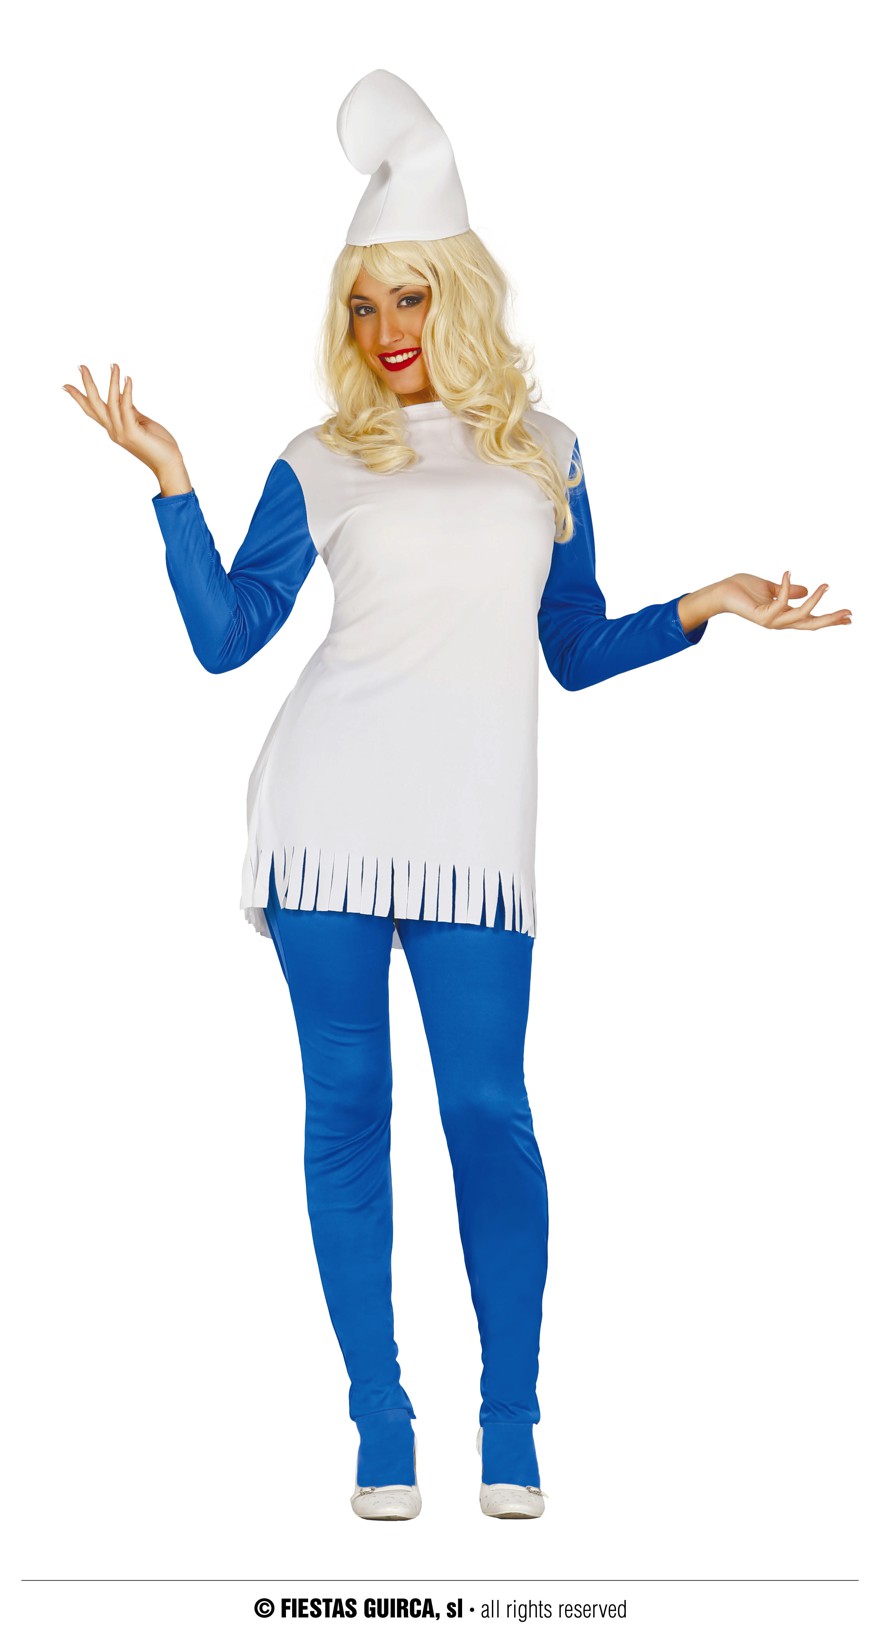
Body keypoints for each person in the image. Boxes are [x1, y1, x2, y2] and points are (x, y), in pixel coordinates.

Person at [63, 70, 851, 1523]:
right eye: (365, 306)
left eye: (412, 298)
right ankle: (379, 1420)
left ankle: (511, 1420)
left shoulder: (548, 452)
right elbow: (228, 640)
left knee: (489, 1111)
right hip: (323, 822)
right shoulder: (320, 459)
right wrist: (171, 483)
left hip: (472, 841)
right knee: (348, 1111)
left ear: (461, 296)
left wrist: (708, 605)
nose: (388, 331)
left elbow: (573, 648)